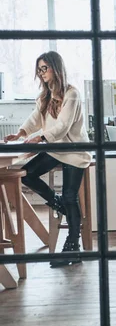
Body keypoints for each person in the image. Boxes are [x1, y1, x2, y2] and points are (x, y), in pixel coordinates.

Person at [4, 51, 92, 268]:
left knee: (71, 197)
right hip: (54, 149)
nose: (41, 73)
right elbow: (36, 118)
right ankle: (57, 202)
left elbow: (62, 126)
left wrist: (40, 138)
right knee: (29, 174)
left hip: (73, 150)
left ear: (56, 68)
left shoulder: (71, 94)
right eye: (39, 69)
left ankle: (73, 246)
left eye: (45, 68)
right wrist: (21, 133)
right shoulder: (45, 96)